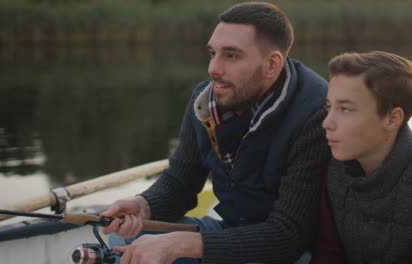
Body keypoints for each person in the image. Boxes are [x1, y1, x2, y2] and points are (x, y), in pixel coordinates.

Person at [101, 2, 330, 263]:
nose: (213, 69)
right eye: (213, 53)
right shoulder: (205, 101)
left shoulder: (315, 115)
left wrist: (187, 244)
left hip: (294, 251)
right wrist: (144, 206)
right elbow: (181, 181)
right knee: (127, 239)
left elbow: (289, 235)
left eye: (231, 55)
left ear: (272, 64)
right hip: (233, 233)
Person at [322, 51, 412, 263]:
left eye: (345, 109)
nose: (327, 123)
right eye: (329, 107)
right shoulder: (335, 169)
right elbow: (327, 252)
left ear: (392, 119)